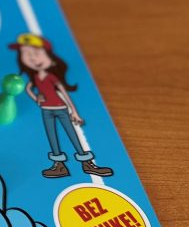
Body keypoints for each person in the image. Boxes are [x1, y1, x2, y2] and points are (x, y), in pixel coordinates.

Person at [10, 33, 113, 179]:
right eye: (26, 54)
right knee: (52, 136)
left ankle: (87, 163)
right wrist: (37, 98)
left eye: (36, 53)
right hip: (46, 110)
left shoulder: (51, 77)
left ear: (50, 58)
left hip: (61, 108)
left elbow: (64, 93)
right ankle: (59, 165)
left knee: (72, 134)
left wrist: (74, 112)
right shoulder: (35, 77)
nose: (32, 58)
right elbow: (28, 88)